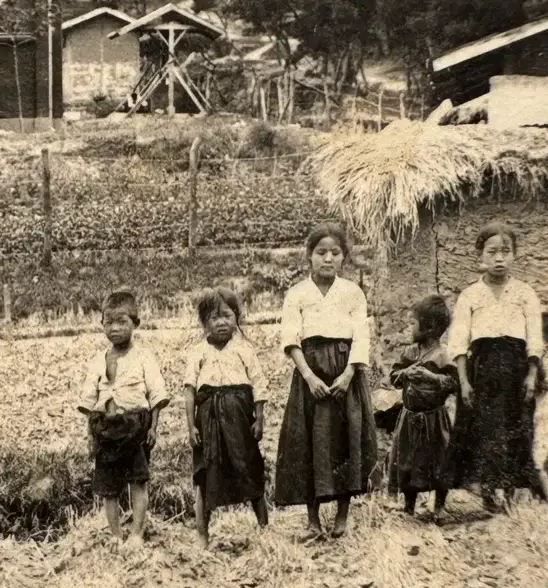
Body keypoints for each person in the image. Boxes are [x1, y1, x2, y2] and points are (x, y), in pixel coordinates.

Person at [274, 223, 378, 539]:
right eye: (321, 252)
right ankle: (312, 520)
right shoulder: (297, 294)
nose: (328, 259)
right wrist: (308, 376)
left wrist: (348, 374)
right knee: (310, 442)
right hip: (311, 375)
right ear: (309, 256)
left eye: (335, 253)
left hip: (345, 375)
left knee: (345, 439)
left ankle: (343, 517)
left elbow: (361, 336)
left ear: (343, 257)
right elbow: (291, 339)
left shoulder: (352, 293)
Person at [444, 224, 548, 512]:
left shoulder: (524, 293)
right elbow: (459, 342)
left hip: (516, 369)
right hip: (482, 370)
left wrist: (531, 375)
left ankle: (512, 491)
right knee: (486, 431)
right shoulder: (470, 296)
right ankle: (489, 491)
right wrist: (464, 382)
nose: (499, 258)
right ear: (481, 256)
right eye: (492, 252)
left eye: (506, 251)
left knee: (517, 427)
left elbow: (535, 339)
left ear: (514, 255)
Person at [77, 290, 169, 547]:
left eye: (122, 322)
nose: (115, 328)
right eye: (109, 322)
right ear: (101, 324)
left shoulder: (143, 357)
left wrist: (153, 427)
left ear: (135, 324)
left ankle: (137, 533)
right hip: (105, 429)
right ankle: (116, 534)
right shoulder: (98, 360)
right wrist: (91, 435)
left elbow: (156, 394)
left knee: (137, 480)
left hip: (134, 427)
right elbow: (89, 400)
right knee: (109, 487)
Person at [184, 287, 268, 548]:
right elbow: (189, 391)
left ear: (237, 317)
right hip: (208, 420)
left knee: (249, 467)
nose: (221, 322)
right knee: (205, 474)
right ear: (204, 322)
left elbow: (259, 385)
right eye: (213, 317)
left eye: (227, 315)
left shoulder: (245, 350)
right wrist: (191, 427)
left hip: (240, 418)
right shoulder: (197, 353)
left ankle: (265, 529)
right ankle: (202, 534)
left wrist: (260, 418)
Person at [386, 294, 458, 518]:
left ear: (429, 328)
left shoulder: (444, 356)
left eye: (413, 323)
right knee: (407, 460)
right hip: (409, 417)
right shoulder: (409, 353)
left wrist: (431, 377)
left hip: (434, 419)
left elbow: (453, 384)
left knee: (439, 460)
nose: (410, 327)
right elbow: (394, 376)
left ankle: (439, 507)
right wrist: (406, 372)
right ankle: (409, 506)